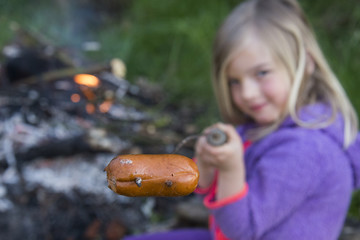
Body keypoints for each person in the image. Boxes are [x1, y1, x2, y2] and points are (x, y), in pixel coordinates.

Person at [124, 0, 360, 239]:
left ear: (305, 63)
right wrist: (208, 166)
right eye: (234, 81)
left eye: (261, 73)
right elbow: (219, 200)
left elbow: (242, 229)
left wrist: (230, 168)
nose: (246, 93)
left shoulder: (305, 151)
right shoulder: (268, 127)